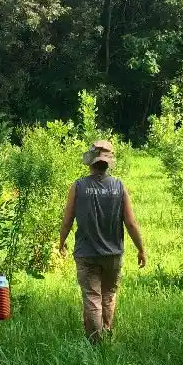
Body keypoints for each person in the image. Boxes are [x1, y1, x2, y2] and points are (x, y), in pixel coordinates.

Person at [59, 140, 146, 344]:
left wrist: (61, 242)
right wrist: (141, 249)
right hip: (113, 254)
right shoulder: (119, 186)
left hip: (86, 253)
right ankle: (106, 335)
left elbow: (67, 220)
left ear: (90, 161)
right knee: (108, 295)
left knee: (92, 297)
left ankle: (96, 343)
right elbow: (131, 223)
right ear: (108, 163)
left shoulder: (78, 186)